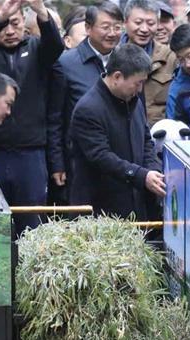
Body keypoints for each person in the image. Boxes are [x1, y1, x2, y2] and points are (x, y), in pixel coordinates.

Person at [0, 0, 63, 236]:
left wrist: (41, 10)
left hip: (30, 153)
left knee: (32, 227)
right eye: (3, 24)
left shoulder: (39, 49)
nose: (9, 31)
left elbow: (56, 46)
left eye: (15, 22)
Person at [69, 44, 164, 220]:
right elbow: (101, 157)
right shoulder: (88, 109)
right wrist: (140, 175)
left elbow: (145, 141)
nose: (140, 89)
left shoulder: (133, 99)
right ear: (117, 77)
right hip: (102, 212)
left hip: (137, 205)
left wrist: (153, 170)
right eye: (138, 83)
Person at [47, 2, 123, 201]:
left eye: (117, 27)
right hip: (80, 159)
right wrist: (57, 163)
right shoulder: (66, 64)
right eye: (106, 27)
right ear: (88, 28)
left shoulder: (127, 60)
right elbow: (56, 117)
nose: (112, 33)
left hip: (121, 158)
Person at [121, 0, 176, 125]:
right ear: (125, 22)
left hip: (158, 132)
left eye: (151, 23)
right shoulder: (112, 54)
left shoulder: (170, 56)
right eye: (138, 23)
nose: (144, 29)